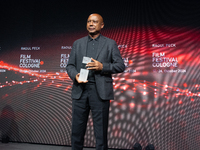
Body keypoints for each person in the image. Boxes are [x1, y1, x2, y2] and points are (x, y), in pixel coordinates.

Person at [66, 13, 125, 150]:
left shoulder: (110, 44)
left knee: (101, 132)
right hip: (80, 91)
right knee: (76, 131)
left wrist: (102, 66)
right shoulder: (78, 43)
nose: (91, 24)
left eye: (94, 21)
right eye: (88, 21)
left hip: (100, 93)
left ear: (101, 25)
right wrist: (75, 76)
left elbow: (120, 65)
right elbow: (70, 66)